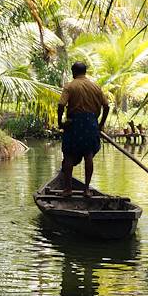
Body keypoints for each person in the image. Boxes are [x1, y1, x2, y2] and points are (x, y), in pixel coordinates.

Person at [58, 62, 109, 196]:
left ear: (74, 72)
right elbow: (106, 106)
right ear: (85, 72)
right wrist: (100, 124)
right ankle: (86, 189)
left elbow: (61, 105)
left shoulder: (70, 86)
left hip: (74, 123)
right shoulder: (96, 86)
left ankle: (68, 189)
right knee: (88, 155)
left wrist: (60, 122)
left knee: (68, 155)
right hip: (91, 124)